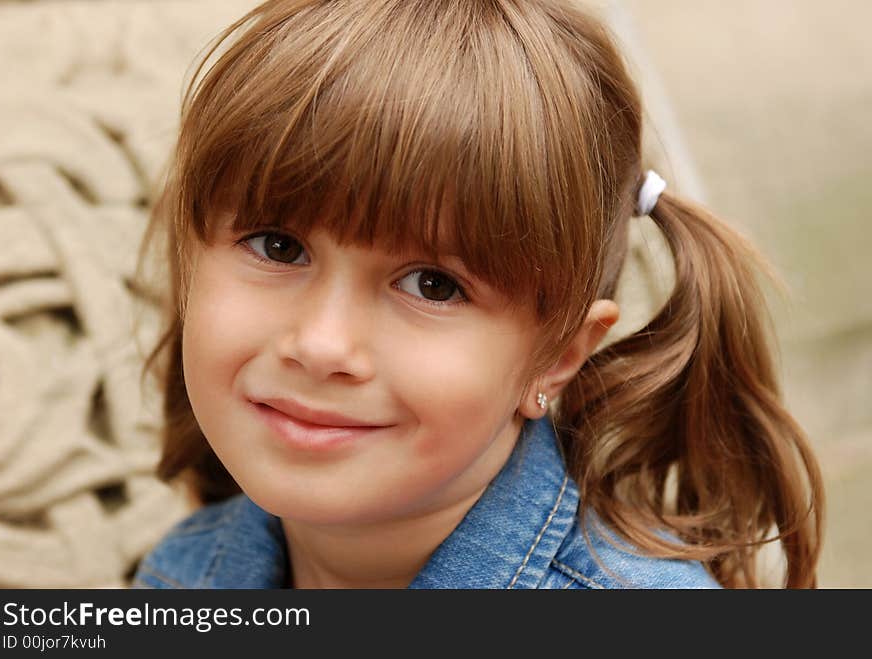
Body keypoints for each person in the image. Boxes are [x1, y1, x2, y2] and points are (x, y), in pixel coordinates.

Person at [131, 0, 823, 589]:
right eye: (279, 246)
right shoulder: (181, 574)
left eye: (434, 285)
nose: (320, 344)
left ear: (556, 356)